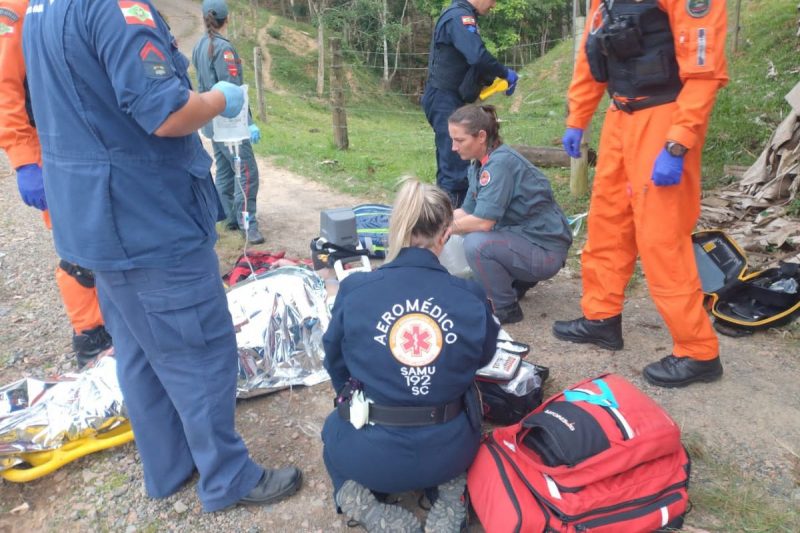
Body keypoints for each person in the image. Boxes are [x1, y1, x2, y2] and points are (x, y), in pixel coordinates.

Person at [22, 0, 301, 511]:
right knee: (198, 351)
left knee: (140, 352)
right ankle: (227, 478)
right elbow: (167, 112)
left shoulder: (41, 9)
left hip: (96, 218)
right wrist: (220, 99)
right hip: (147, 217)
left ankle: (169, 465)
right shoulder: (117, 9)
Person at [553, 0, 728, 388]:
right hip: (620, 117)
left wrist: (678, 142)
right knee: (607, 223)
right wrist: (577, 118)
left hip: (664, 120)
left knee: (662, 239)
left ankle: (698, 351)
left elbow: (704, 71)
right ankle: (601, 318)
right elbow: (592, 55)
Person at [321, 178, 500, 532]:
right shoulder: (469, 295)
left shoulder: (356, 289)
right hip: (451, 446)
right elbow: (484, 357)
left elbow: (335, 361)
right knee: (462, 407)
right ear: (446, 233)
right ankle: (450, 492)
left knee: (331, 432)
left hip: (367, 451)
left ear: (396, 227)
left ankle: (361, 501)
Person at [0, 0, 111, 367]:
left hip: (92, 141)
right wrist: (24, 161)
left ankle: (117, 323)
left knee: (109, 235)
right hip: (51, 149)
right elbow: (5, 88)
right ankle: (91, 337)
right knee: (80, 251)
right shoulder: (12, 10)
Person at [449, 105, 573, 325]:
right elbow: (467, 211)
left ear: (481, 136)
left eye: (459, 140)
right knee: (468, 232)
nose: (453, 147)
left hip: (546, 251)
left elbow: (484, 222)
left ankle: (504, 307)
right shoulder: (480, 163)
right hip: (528, 241)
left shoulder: (500, 165)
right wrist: (431, 221)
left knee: (475, 243)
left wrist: (443, 229)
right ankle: (517, 283)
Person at [421, 0, 518, 209]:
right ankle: (452, 228)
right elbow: (477, 55)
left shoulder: (464, 15)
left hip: (450, 97)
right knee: (455, 167)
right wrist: (504, 72)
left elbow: (471, 61)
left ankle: (450, 219)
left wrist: (490, 80)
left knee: (456, 163)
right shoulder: (459, 17)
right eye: (493, 1)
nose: (493, 6)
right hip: (443, 99)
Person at [192, 0, 264, 245]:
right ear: (227, 19)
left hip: (211, 122)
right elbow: (232, 92)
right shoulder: (223, 49)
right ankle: (248, 223)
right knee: (246, 171)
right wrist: (249, 122)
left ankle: (230, 217)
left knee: (224, 169)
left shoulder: (199, 45)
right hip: (230, 123)